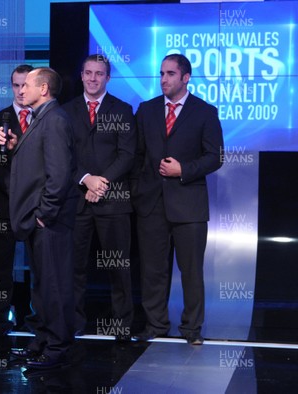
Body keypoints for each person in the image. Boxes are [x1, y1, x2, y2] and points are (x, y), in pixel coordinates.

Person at [131, 53, 224, 345]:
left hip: (189, 205)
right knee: (153, 270)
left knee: (191, 271)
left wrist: (184, 169)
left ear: (186, 77)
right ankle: (156, 325)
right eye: (161, 73)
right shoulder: (146, 110)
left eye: (170, 74)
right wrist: (137, 191)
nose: (163, 79)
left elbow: (215, 156)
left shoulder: (205, 112)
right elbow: (136, 156)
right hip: (151, 203)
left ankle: (192, 329)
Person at [0, 67, 78, 369]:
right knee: (43, 285)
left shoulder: (55, 120)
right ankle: (41, 341)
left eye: (27, 85)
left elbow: (58, 176)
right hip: (36, 220)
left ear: (43, 89)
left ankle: (57, 347)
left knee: (55, 285)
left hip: (48, 221)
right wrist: (12, 147)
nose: (21, 90)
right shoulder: (40, 118)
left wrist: (44, 214)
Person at [62, 55, 136, 338]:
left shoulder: (123, 109)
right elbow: (63, 155)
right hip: (76, 200)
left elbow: (127, 154)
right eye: (89, 73)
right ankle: (74, 322)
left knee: (118, 267)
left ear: (108, 78)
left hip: (113, 199)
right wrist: (86, 179)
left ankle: (121, 325)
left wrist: (100, 183)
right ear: (81, 76)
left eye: (100, 74)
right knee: (74, 267)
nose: (93, 78)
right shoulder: (65, 112)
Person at [0, 64, 33, 338]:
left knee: (40, 265)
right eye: (16, 85)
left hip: (36, 205)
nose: (21, 90)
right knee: (0, 265)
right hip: (3, 203)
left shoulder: (44, 118)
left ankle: (38, 319)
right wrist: (17, 191)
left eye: (26, 85)